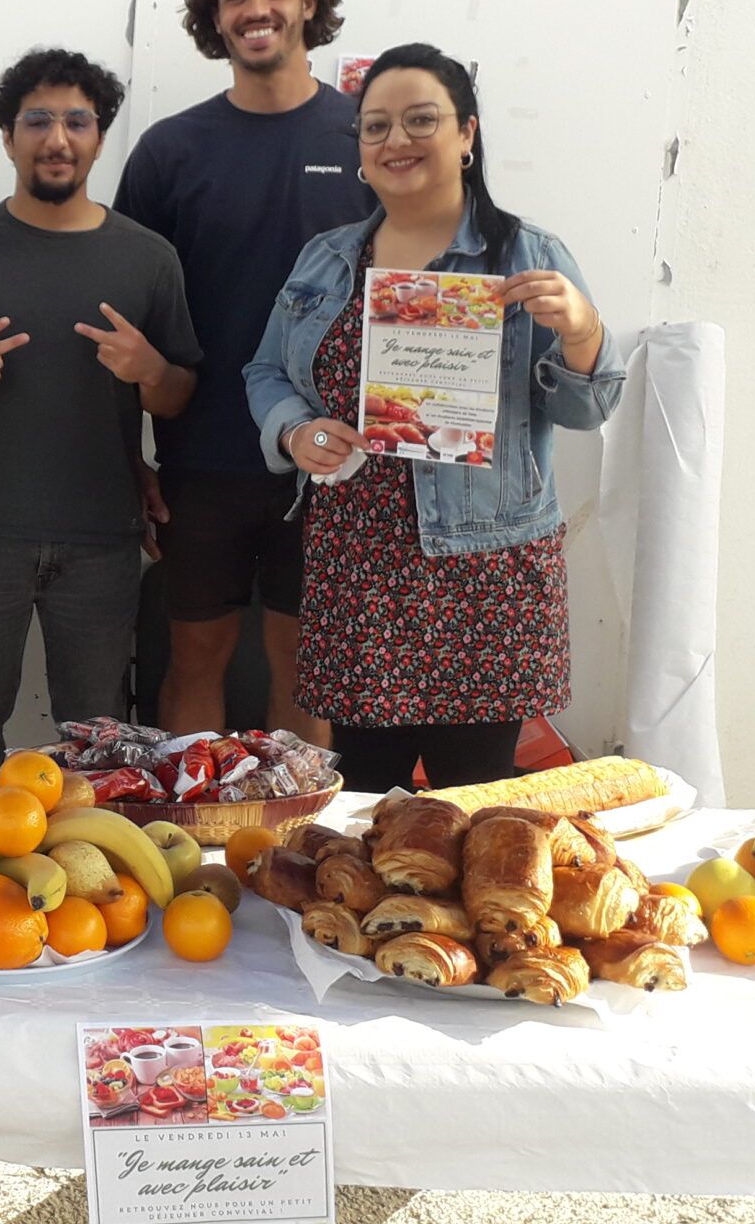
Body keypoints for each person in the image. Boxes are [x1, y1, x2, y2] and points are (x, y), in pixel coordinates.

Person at [243, 42, 622, 797]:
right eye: (376, 126)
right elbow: (266, 371)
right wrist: (296, 431)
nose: (397, 140)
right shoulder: (327, 259)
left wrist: (583, 332)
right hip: (359, 567)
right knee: (363, 801)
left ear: (466, 133)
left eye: (421, 120)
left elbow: (586, 408)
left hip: (486, 569)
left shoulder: (526, 254)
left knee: (473, 801)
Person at [0, 48, 202, 769]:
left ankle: (82, 851)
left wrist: (148, 369)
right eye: (37, 120)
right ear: (8, 137)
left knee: (97, 739)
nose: (57, 139)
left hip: (101, 537)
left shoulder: (148, 257)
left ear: (99, 138)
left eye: (76, 122)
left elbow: (179, 393)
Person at [115, 0, 366, 743]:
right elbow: (127, 325)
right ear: (215, 15)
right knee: (195, 658)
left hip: (332, 462)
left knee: (303, 666)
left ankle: (297, 822)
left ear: (310, 2)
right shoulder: (169, 152)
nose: (255, 9)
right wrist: (130, 459)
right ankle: (199, 821)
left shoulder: (368, 140)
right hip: (201, 458)